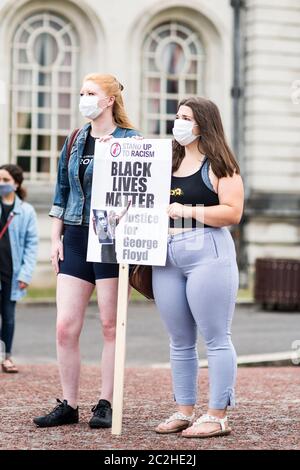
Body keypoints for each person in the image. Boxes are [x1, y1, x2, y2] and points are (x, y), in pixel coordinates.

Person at [33, 74, 140, 429]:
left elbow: (141, 194)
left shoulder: (131, 140)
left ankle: (107, 402)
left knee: (111, 324)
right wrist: (56, 237)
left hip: (111, 237)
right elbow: (61, 193)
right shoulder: (75, 139)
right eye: (82, 92)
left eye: (91, 93)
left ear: (109, 100)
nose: (84, 98)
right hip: (76, 236)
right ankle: (69, 403)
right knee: (65, 326)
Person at [152, 97, 244, 438]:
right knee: (179, 339)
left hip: (208, 250)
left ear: (203, 124)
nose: (178, 122)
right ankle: (184, 409)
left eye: (186, 117)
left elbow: (233, 212)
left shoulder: (220, 165)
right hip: (168, 255)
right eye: (177, 116)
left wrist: (187, 210)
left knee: (217, 337)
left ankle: (217, 414)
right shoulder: (168, 162)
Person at [0, 164, 38, 373]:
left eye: (5, 180)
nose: (1, 184)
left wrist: (25, 274)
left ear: (16, 183)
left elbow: (32, 245)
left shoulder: (26, 211)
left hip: (12, 273)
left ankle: (6, 357)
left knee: (8, 316)